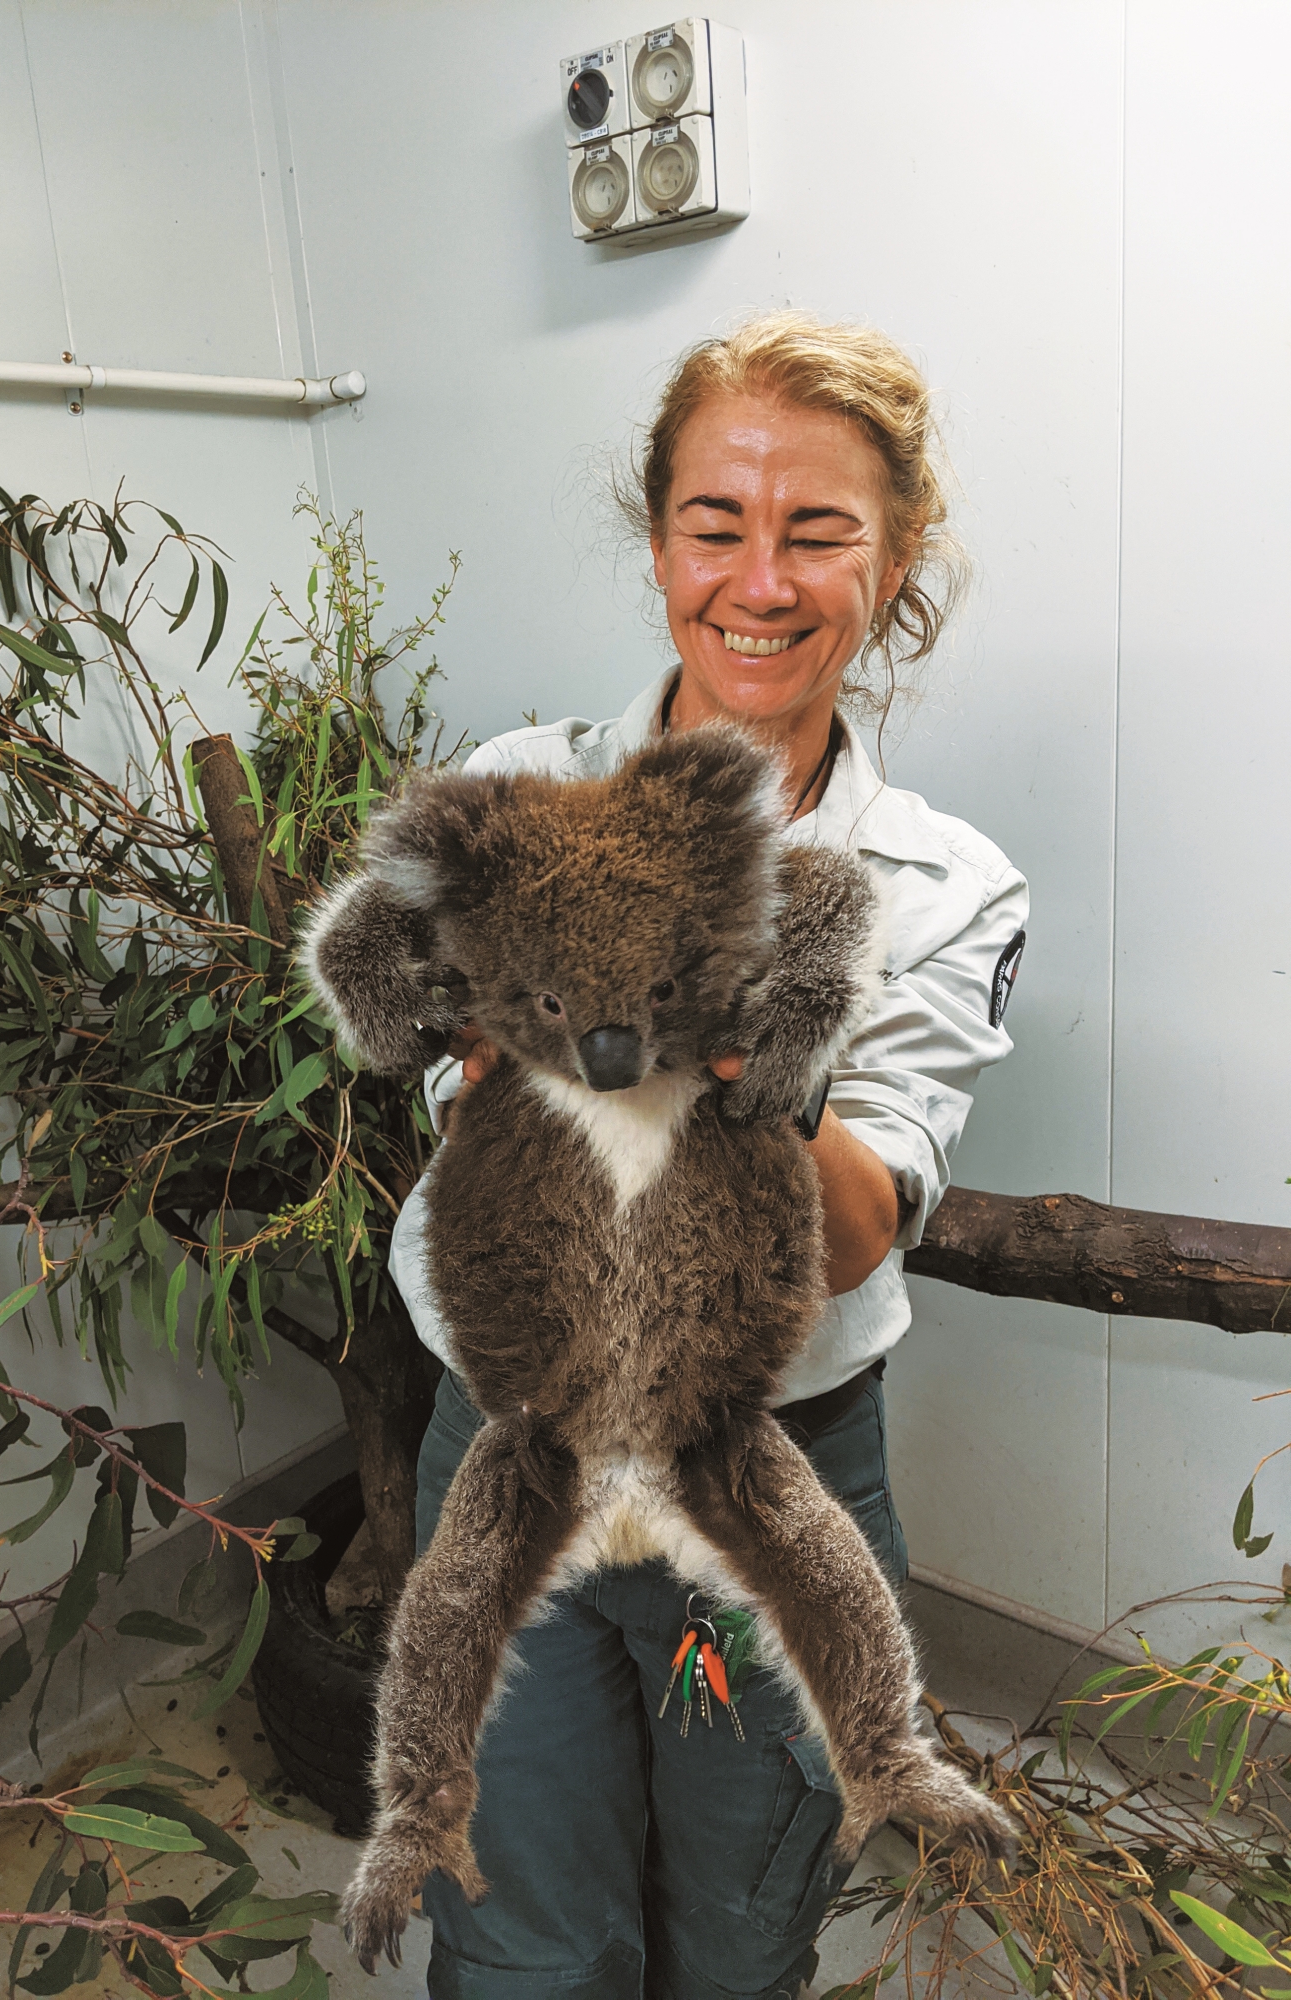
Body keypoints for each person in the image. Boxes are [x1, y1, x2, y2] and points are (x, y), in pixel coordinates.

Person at [387, 310, 1029, 2000]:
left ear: (895, 559)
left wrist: (753, 1056)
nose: (760, 580)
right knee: (519, 1935)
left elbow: (864, 1225)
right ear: (659, 541)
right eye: (715, 524)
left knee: (741, 1940)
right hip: (516, 1430)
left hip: (769, 1445)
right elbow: (437, 1077)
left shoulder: (936, 886)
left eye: (817, 531)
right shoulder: (518, 791)